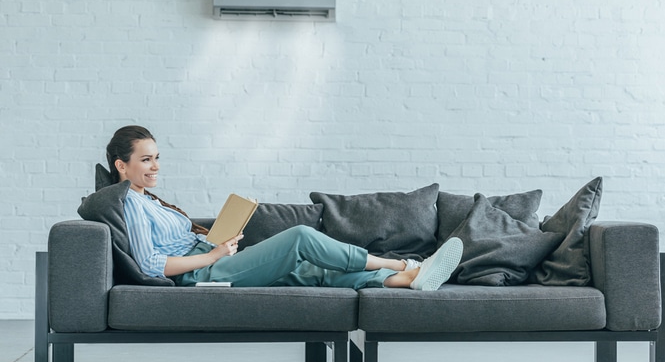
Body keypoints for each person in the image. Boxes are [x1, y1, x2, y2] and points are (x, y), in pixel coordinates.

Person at [105, 125, 462, 291]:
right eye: (146, 160)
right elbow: (153, 265)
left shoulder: (149, 199)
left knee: (312, 267)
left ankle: (408, 281)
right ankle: (402, 263)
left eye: (157, 158)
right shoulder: (130, 204)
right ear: (122, 165)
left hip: (209, 258)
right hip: (199, 275)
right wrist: (213, 255)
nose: (155, 167)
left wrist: (216, 241)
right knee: (301, 238)